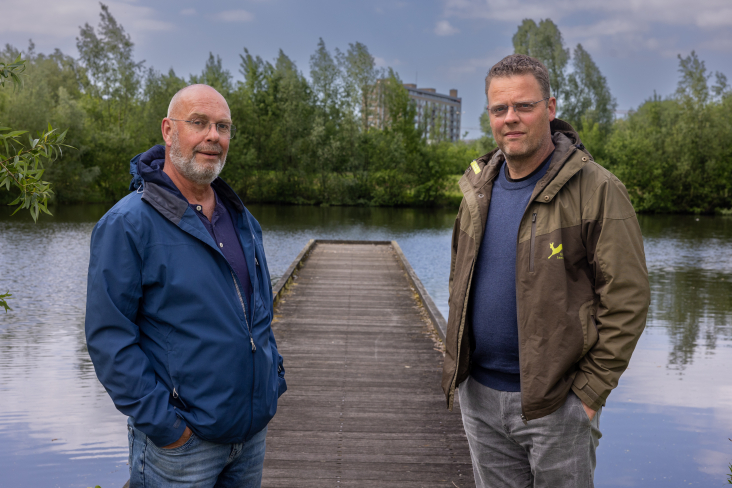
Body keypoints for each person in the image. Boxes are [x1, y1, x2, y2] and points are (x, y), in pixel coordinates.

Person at [441, 54, 650, 487]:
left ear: (550, 108)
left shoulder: (597, 189)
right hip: (479, 397)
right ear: (490, 115)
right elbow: (458, 282)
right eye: (500, 109)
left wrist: (589, 394)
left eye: (524, 106)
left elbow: (627, 299)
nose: (510, 118)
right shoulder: (476, 190)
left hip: (558, 404)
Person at [85, 84, 286, 487]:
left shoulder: (241, 218)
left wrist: (272, 379)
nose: (214, 136)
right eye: (199, 123)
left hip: (249, 437)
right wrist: (167, 427)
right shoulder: (128, 224)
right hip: (181, 449)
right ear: (168, 130)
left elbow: (257, 310)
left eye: (223, 126)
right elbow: (109, 338)